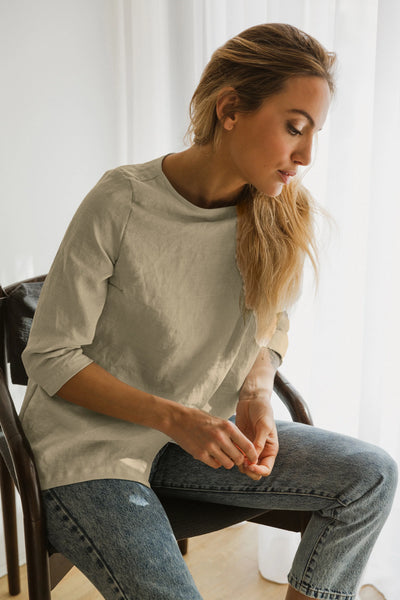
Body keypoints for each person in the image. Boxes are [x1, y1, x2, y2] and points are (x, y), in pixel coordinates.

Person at [20, 23, 397, 600]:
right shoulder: (122, 200)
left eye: (315, 133)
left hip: (195, 441)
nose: (307, 155)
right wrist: (175, 418)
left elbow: (273, 328)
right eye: (294, 128)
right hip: (88, 452)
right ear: (230, 109)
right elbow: (50, 355)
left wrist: (254, 392)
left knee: (370, 476)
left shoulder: (281, 213)